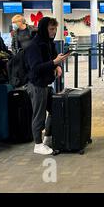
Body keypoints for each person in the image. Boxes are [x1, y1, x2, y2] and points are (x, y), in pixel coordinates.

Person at [25, 17, 70, 155]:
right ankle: (37, 144)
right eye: (51, 29)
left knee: (54, 109)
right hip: (36, 85)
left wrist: (57, 66)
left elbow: (52, 59)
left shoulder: (49, 43)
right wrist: (54, 62)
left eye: (55, 29)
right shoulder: (33, 46)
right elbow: (36, 68)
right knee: (39, 115)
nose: (54, 32)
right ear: (44, 29)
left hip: (46, 84)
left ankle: (47, 137)